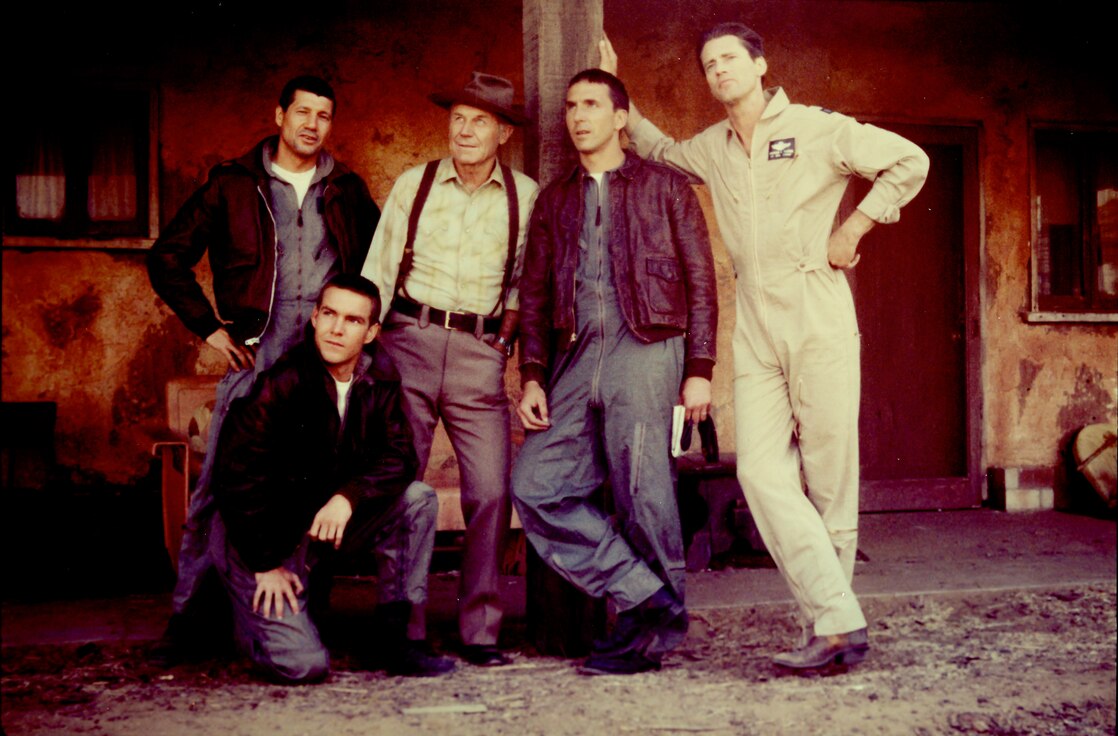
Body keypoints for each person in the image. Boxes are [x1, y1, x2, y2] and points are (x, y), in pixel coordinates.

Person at [600, 23, 930, 669]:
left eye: (729, 59)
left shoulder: (817, 127)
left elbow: (909, 160)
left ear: (759, 65)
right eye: (708, 63)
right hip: (753, 315)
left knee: (830, 479)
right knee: (758, 470)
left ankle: (829, 627)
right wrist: (623, 95)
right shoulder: (715, 146)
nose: (718, 70)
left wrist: (856, 226)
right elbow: (663, 152)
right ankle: (838, 624)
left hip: (815, 306)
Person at [147, 75, 380, 662]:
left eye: (324, 116)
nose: (312, 124)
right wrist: (211, 329)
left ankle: (304, 608)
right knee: (216, 492)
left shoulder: (347, 190)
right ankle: (189, 620)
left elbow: (376, 272)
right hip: (258, 355)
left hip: (322, 358)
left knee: (316, 480)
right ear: (279, 115)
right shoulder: (233, 184)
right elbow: (168, 257)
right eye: (302, 112)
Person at [511, 69, 718, 676]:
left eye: (592, 105)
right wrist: (531, 375)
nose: (579, 116)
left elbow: (702, 281)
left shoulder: (666, 186)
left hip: (647, 344)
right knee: (536, 483)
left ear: (621, 117)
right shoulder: (555, 197)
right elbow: (536, 297)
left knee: (644, 489)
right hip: (576, 354)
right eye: (572, 105)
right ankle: (642, 593)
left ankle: (654, 634)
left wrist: (699, 369)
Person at [361, 72, 539, 666]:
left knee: (490, 492)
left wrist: (502, 341)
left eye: (480, 120)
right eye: (458, 117)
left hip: (476, 353)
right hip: (407, 340)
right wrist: (369, 347)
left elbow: (524, 281)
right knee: (402, 486)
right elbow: (380, 268)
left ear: (504, 133)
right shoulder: (417, 183)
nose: (464, 130)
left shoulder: (525, 195)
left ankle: (479, 629)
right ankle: (402, 621)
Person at [209, 274, 454, 682]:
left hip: (317, 528)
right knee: (303, 665)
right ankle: (248, 624)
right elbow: (236, 477)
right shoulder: (281, 382)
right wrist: (266, 563)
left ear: (372, 332)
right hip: (260, 542)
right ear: (314, 317)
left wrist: (350, 496)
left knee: (417, 498)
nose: (337, 329)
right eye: (329, 314)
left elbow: (399, 456)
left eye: (353, 321)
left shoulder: (379, 380)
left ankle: (395, 640)